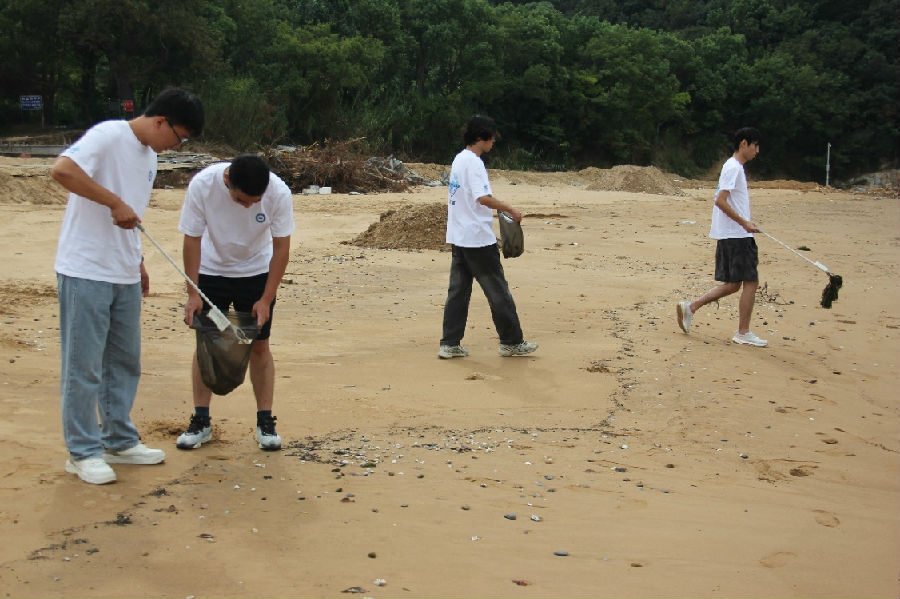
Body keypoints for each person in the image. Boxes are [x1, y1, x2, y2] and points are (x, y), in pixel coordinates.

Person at [51, 87, 205, 484]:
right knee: (83, 365)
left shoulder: (150, 156)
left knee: (124, 361)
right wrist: (112, 202)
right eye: (179, 137)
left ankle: (118, 439)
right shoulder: (108, 135)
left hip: (122, 272)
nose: (176, 146)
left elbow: (133, 213)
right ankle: (82, 451)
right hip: (85, 269)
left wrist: (137, 261)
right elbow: (62, 170)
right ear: (160, 121)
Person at [176, 154, 294, 451]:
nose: (250, 206)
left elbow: (281, 248)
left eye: (256, 201)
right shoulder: (203, 185)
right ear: (228, 181)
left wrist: (266, 299)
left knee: (259, 346)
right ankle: (201, 420)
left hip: (256, 273)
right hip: (211, 271)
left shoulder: (278, 193)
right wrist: (193, 293)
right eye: (243, 201)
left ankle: (265, 421)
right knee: (207, 343)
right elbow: (192, 239)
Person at [439, 115, 538, 359]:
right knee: (498, 291)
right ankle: (512, 342)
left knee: (458, 292)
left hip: (459, 236)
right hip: (477, 238)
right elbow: (482, 198)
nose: (493, 142)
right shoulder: (474, 163)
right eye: (492, 137)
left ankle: (449, 344)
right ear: (482, 137)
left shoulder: (459, 159)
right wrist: (510, 209)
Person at [677, 127, 767, 347]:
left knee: (734, 284)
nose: (757, 150)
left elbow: (727, 201)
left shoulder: (733, 167)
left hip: (733, 235)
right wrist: (744, 223)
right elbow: (720, 200)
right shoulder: (733, 168)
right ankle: (743, 332)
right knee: (751, 282)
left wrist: (746, 222)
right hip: (736, 236)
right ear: (744, 144)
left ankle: (691, 307)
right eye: (755, 145)